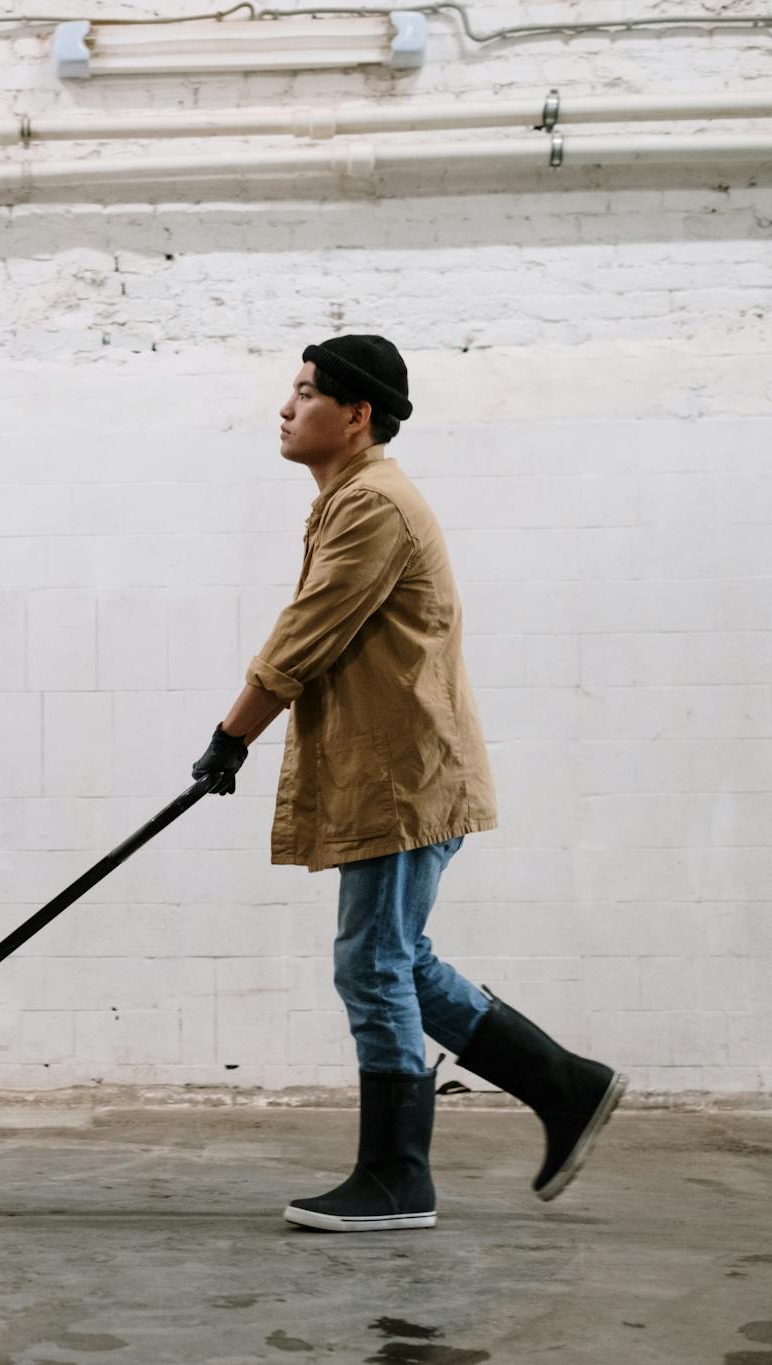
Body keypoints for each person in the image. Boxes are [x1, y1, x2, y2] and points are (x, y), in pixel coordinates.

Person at [191, 334, 624, 1233]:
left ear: (356, 415)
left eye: (306, 393)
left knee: (373, 963)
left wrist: (232, 734)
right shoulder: (351, 499)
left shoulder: (374, 507)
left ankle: (397, 1175)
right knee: (399, 960)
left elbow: (302, 638)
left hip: (403, 777)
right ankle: (566, 1085)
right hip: (395, 770)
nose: (286, 407)